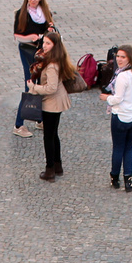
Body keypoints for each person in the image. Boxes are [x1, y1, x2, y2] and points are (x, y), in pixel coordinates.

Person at [28, 30, 77, 181]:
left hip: (52, 103)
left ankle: (50, 170)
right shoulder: (55, 59)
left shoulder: (51, 65)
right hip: (57, 101)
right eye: (44, 42)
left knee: (48, 136)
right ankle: (57, 165)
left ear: (55, 46)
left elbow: (51, 88)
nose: (45, 46)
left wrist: (33, 88)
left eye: (48, 43)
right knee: (53, 134)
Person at [12, 0, 53, 136]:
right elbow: (17, 35)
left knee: (42, 83)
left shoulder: (45, 13)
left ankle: (40, 119)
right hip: (27, 50)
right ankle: (18, 125)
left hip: (42, 52)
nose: (33, 0)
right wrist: (32, 37)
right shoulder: (21, 13)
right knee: (30, 84)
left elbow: (50, 27)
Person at [102, 46, 132, 191]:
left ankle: (114, 178)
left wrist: (107, 98)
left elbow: (118, 99)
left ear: (129, 58)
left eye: (122, 57)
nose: (119, 59)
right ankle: (128, 180)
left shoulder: (122, 76)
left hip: (121, 116)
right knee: (129, 148)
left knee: (118, 148)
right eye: (118, 56)